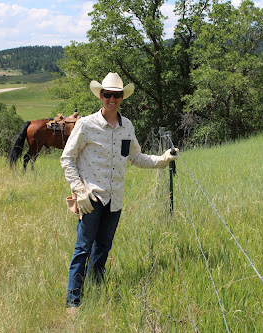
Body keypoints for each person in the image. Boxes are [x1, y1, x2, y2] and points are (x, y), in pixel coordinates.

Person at [60, 72, 179, 310]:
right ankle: (73, 302)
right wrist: (79, 189)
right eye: (107, 95)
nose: (111, 100)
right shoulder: (86, 125)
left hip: (115, 200)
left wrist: (162, 160)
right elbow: (67, 158)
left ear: (122, 98)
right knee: (83, 249)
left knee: (103, 247)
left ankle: (96, 289)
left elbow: (135, 156)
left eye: (116, 95)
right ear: (101, 96)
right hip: (91, 199)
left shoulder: (127, 127)